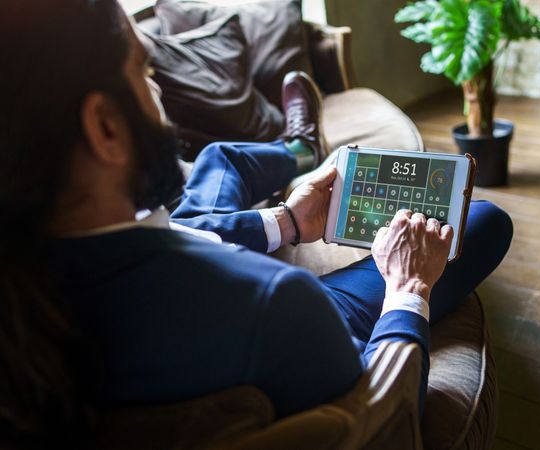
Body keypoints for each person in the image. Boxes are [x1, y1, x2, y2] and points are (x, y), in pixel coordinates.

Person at [0, 0, 513, 447]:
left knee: (218, 160)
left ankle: (298, 149)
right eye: (146, 73)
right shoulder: (275, 302)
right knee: (482, 222)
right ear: (105, 128)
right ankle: (299, 149)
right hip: (295, 333)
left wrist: (287, 221)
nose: (159, 101)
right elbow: (389, 422)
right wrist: (408, 287)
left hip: (221, 299)